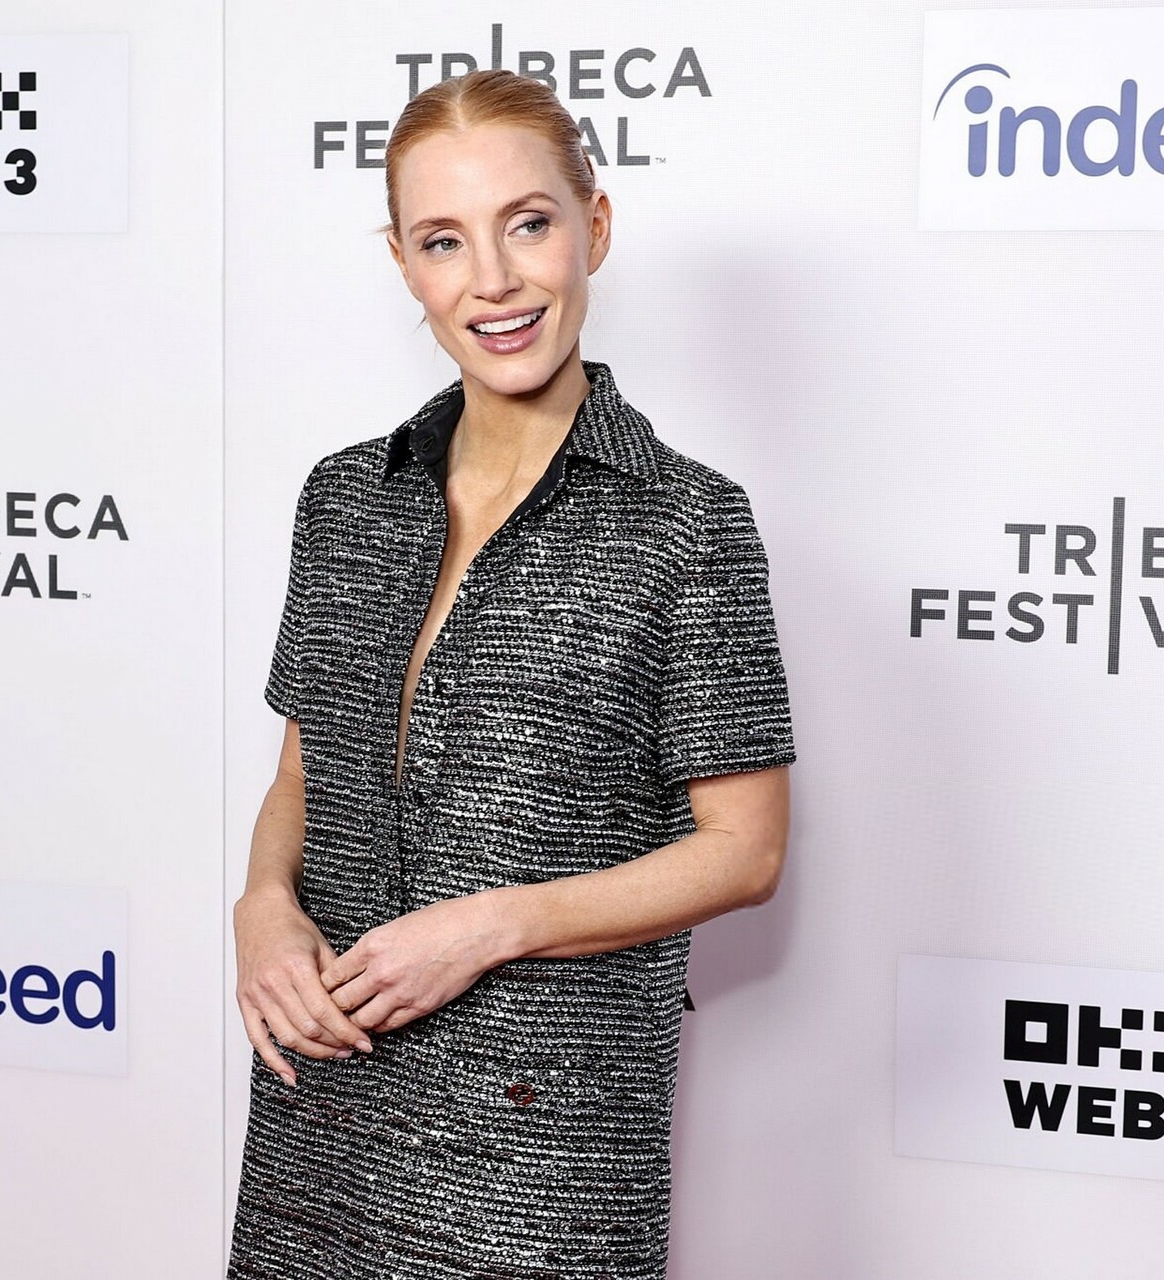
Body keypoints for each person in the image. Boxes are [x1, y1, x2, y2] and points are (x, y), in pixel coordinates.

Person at [228, 68, 797, 1280]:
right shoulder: (344, 497)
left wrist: (487, 927)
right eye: (444, 240)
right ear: (403, 263)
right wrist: (262, 905)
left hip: (543, 1142)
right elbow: (301, 774)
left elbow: (745, 851)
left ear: (595, 225)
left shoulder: (689, 522)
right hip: (320, 1101)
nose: (491, 280)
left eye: (527, 223)